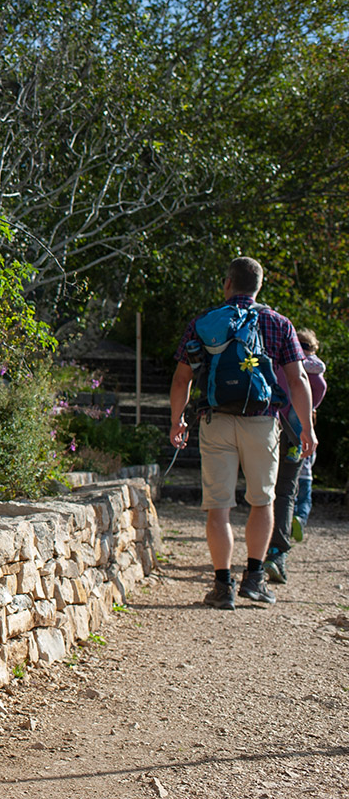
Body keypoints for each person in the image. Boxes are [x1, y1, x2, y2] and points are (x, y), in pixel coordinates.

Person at [169, 257, 317, 610]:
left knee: (218, 507)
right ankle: (254, 578)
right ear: (258, 286)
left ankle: (223, 587)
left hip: (215, 420)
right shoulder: (279, 324)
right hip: (262, 421)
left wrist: (177, 420)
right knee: (262, 500)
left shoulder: (204, 322)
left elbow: (181, 378)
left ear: (227, 284)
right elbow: (297, 380)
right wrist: (307, 428)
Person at [264, 328, 326, 582]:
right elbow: (317, 395)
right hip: (298, 436)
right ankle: (277, 552)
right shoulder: (318, 372)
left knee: (265, 489)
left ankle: (258, 555)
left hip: (270, 430)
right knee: (287, 492)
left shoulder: (282, 363)